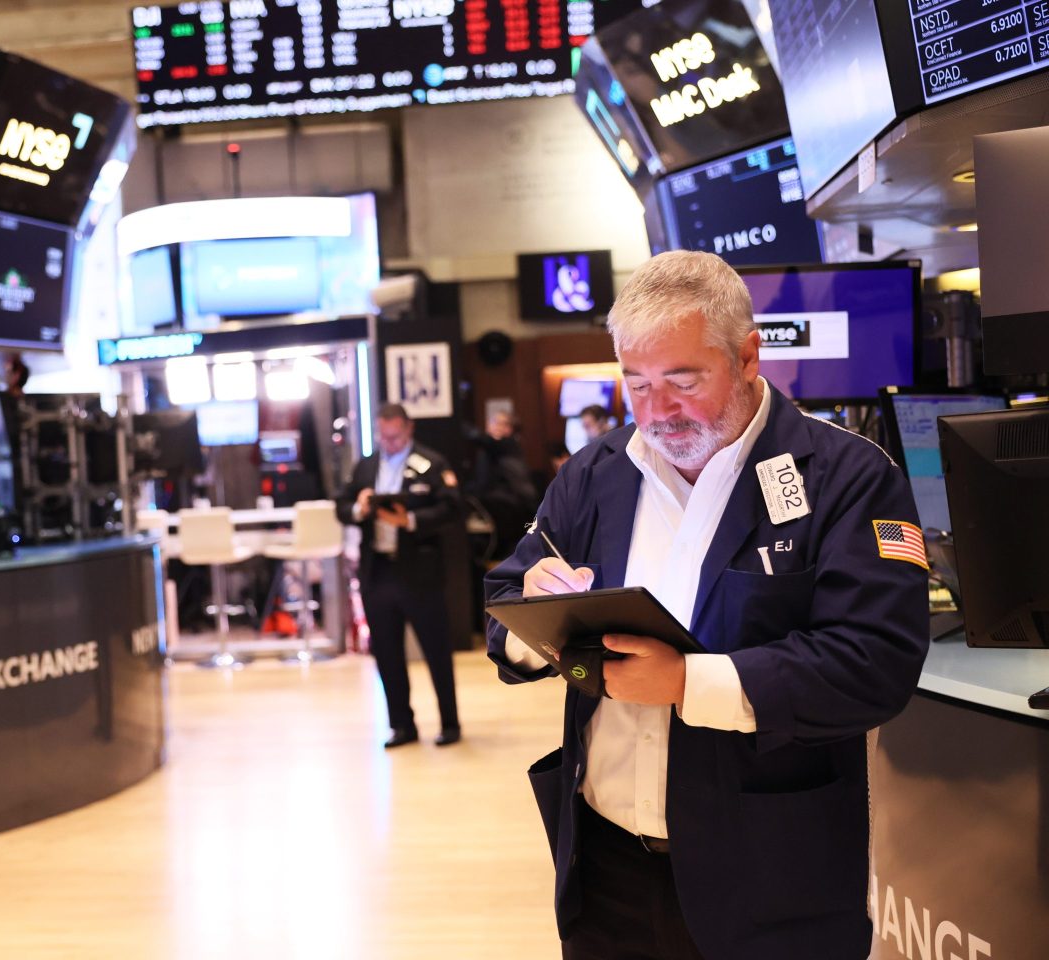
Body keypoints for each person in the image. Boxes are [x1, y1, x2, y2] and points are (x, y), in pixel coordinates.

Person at [486, 251, 930, 960]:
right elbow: (506, 594)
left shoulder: (849, 477)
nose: (658, 411)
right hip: (604, 865)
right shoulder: (599, 472)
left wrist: (688, 683)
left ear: (749, 356)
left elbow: (876, 662)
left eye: (682, 381)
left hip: (772, 876)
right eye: (636, 384)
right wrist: (537, 617)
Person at [336, 404, 462, 748]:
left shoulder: (431, 463)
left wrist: (410, 522)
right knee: (388, 654)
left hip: (419, 571)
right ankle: (401, 725)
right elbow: (341, 505)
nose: (388, 442)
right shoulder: (366, 465)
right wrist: (360, 508)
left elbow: (451, 508)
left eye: (395, 435)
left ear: (409, 428)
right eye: (383, 435)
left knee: (436, 651)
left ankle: (450, 723)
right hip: (378, 571)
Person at [469, 411, 539, 560]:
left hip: (513, 505)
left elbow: (480, 438)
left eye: (502, 423)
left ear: (510, 429)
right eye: (494, 422)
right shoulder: (490, 448)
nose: (496, 427)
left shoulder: (507, 444)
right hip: (499, 504)